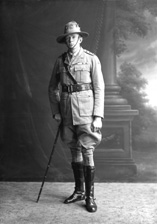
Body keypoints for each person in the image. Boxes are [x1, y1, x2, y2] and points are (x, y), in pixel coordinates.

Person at [48, 21, 105, 213]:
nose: (70, 40)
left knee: (87, 150)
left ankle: (90, 196)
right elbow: (52, 88)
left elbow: (99, 88)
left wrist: (98, 116)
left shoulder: (91, 59)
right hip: (66, 113)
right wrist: (56, 111)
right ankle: (79, 191)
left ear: (80, 39)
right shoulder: (60, 61)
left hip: (86, 113)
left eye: (73, 37)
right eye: (67, 38)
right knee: (74, 150)